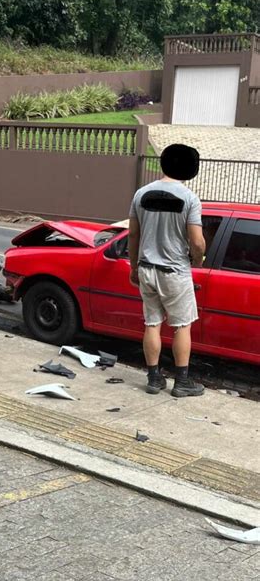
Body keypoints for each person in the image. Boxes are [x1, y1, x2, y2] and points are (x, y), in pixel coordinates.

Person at [128, 143, 206, 398]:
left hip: (147, 269)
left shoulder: (141, 194)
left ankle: (153, 379)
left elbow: (133, 236)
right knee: (181, 326)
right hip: (174, 271)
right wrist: (198, 258)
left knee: (152, 324)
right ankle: (181, 382)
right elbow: (196, 241)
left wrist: (133, 268)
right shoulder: (189, 198)